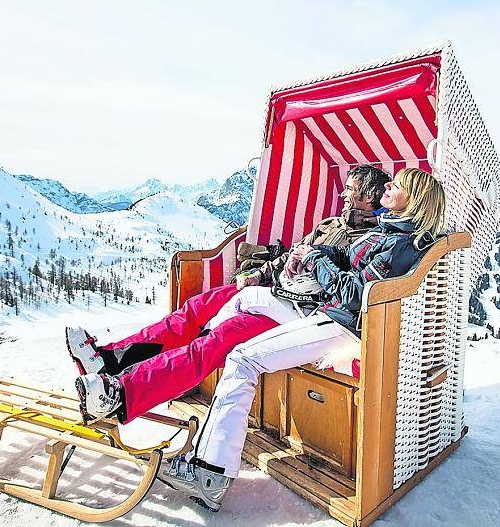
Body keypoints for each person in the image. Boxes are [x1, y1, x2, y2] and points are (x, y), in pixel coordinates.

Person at [160, 168, 447, 511]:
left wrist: (318, 263)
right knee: (243, 298)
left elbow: (356, 297)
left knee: (242, 359)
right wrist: (315, 254)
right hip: (327, 311)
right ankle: (205, 355)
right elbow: (349, 261)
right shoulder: (390, 232)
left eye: (396, 186)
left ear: (412, 200)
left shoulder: (400, 245)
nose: (388, 186)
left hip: (342, 323)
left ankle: (210, 473)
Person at [67, 165, 392, 424]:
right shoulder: (330, 224)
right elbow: (291, 254)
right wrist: (260, 273)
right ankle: (109, 359)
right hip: (273, 290)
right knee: (195, 309)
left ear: (368, 197)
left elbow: (343, 290)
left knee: (215, 340)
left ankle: (121, 394)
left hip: (295, 312)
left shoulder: (368, 240)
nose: (343, 194)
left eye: (350, 189)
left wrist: (312, 267)